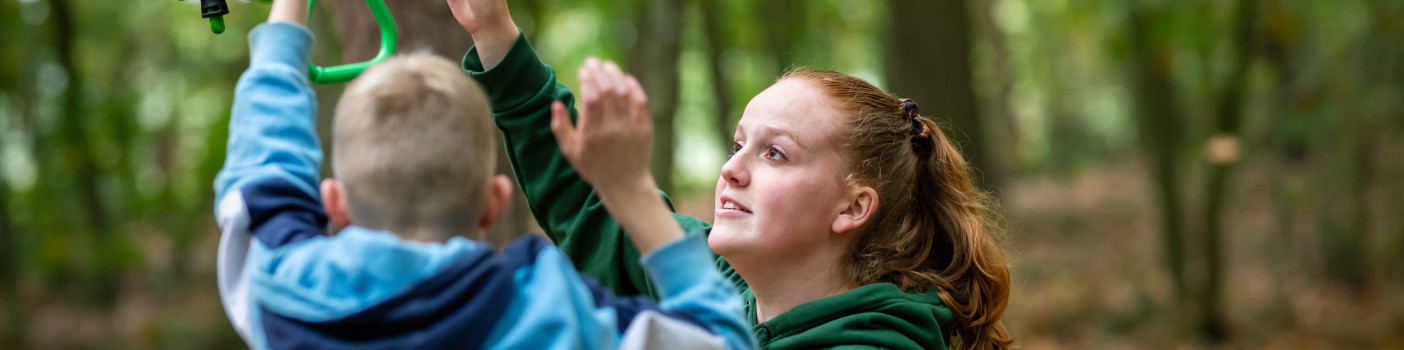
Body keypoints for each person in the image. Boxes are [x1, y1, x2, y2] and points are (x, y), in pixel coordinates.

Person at [448, 0, 1014, 348]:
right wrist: (494, 32)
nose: (731, 170)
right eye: (739, 143)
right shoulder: (719, 284)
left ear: (852, 207)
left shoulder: (876, 346)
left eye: (775, 154)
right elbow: (594, 210)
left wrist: (636, 196)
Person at [210, 1, 757, 349]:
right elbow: (718, 340)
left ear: (335, 202)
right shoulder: (546, 312)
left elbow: (263, 169)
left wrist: (286, 16)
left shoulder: (278, 292)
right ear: (495, 201)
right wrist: (632, 192)